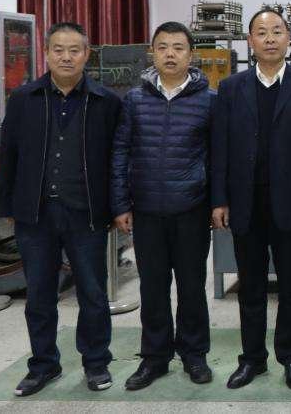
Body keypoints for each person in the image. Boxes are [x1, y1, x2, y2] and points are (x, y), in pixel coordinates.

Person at [0, 22, 122, 397]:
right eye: (58, 50)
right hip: (35, 215)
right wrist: (8, 206)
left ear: (87, 54)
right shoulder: (24, 99)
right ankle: (43, 365)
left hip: (86, 213)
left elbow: (117, 160)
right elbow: (9, 156)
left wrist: (116, 207)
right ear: (46, 53)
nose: (66, 57)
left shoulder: (106, 102)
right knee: (39, 295)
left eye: (74, 50)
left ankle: (96, 362)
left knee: (93, 293)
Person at [211, 9, 291, 390]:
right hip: (246, 204)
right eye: (262, 32)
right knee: (251, 287)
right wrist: (220, 199)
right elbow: (220, 147)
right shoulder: (231, 88)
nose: (270, 38)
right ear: (250, 41)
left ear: (289, 38)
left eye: (277, 31)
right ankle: (252, 359)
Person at [111, 21, 216, 389]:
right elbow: (120, 152)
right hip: (147, 210)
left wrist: (216, 203)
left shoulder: (209, 100)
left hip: (192, 209)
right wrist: (120, 204)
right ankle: (154, 358)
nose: (170, 54)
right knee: (152, 288)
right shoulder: (134, 100)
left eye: (178, 47)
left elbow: (217, 157)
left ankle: (194, 355)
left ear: (191, 54)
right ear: (151, 53)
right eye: (163, 47)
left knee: (192, 287)